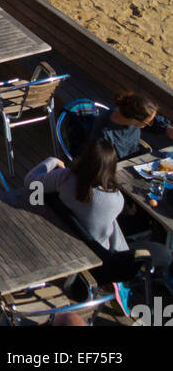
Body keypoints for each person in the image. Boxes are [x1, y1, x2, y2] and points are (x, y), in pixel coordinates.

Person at [25, 140, 170, 297]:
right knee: (164, 251)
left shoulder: (64, 178)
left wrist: (52, 160)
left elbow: (30, 182)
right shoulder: (115, 200)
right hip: (105, 258)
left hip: (70, 242)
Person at [90, 91, 173, 161]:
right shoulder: (103, 133)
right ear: (134, 121)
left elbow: (154, 121)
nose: (150, 123)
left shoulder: (128, 113)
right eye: (147, 123)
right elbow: (104, 162)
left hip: (135, 156)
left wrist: (167, 128)